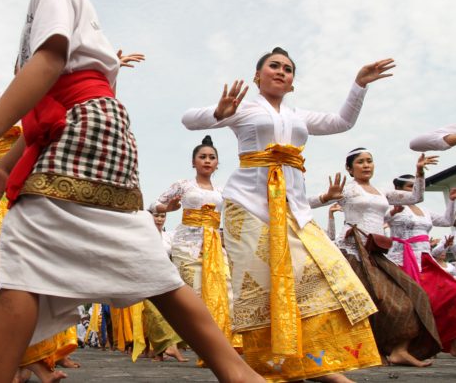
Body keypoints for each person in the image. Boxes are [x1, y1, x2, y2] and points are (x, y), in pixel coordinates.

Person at [0, 0, 262, 383]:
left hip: (81, 123)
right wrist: (6, 167)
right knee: (142, 257)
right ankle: (235, 372)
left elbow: (48, 65)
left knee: (22, 251)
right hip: (91, 124)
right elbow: (49, 105)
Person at [182, 47, 392, 381]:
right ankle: (267, 365)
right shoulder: (244, 109)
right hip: (248, 207)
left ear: (292, 83)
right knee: (262, 288)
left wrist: (359, 85)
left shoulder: (298, 116)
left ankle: (317, 364)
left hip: (294, 210)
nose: (281, 71)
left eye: (288, 69)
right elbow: (189, 119)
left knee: (321, 277)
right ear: (258, 76)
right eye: (274, 66)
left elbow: (342, 122)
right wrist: (218, 113)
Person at [336, 149, 441, 366]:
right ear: (349, 168)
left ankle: (399, 350)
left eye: (370, 161)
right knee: (370, 300)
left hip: (377, 252)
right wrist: (325, 197)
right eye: (360, 162)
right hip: (353, 251)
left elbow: (416, 197)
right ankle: (372, 352)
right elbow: (313, 201)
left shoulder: (382, 193)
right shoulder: (347, 190)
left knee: (414, 294)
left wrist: (419, 172)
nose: (366, 165)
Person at [149, 135, 239, 361]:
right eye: (202, 157)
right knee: (197, 295)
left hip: (214, 246)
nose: (207, 161)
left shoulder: (222, 192)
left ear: (217, 163)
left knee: (225, 293)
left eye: (212, 157)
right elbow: (155, 204)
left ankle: (221, 348)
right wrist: (167, 207)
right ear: (193, 162)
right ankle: (205, 347)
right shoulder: (183, 185)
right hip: (187, 245)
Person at [385, 175, 456, 356]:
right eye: (410, 186)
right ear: (398, 188)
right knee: (417, 302)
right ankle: (402, 347)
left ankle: (451, 342)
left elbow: (447, 221)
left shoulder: (424, 210)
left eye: (416, 186)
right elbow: (381, 220)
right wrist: (392, 213)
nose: (415, 190)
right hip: (401, 259)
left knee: (451, 291)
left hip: (425, 259)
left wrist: (452, 202)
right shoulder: (392, 206)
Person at [141, 211, 186, 362]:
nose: (159, 219)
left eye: (162, 216)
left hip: (167, 278)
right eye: (156, 215)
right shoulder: (143, 235)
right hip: (148, 278)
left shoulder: (169, 237)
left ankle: (168, 349)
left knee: (167, 314)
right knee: (153, 315)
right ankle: (162, 350)